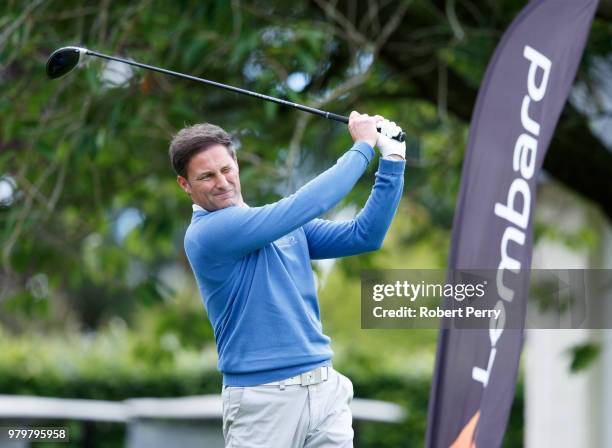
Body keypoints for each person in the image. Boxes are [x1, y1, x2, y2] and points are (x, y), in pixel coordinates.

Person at [170, 111, 405, 448]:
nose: (221, 182)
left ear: (236, 164)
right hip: (263, 402)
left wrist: (393, 159)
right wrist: (363, 146)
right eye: (206, 176)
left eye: (226, 169)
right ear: (185, 185)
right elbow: (310, 203)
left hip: (324, 389)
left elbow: (364, 235)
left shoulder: (277, 223)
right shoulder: (207, 234)